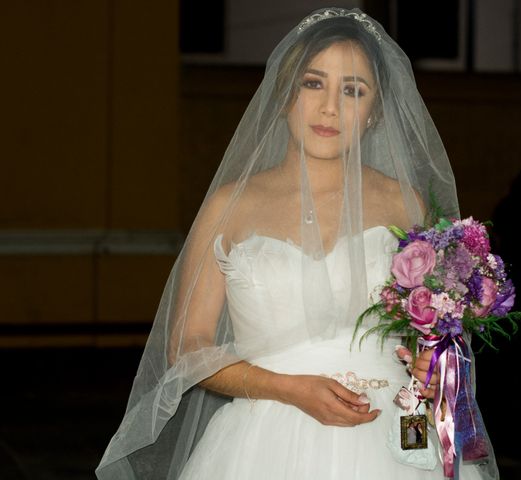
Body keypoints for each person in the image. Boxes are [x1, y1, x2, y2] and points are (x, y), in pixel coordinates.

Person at [96, 8, 497, 479]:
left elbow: (439, 328)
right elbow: (188, 346)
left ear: (375, 112)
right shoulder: (231, 204)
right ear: (284, 94)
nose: (330, 107)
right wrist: (287, 388)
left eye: (353, 90)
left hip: (394, 434)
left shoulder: (405, 203)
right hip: (263, 440)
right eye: (313, 83)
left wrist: (434, 357)